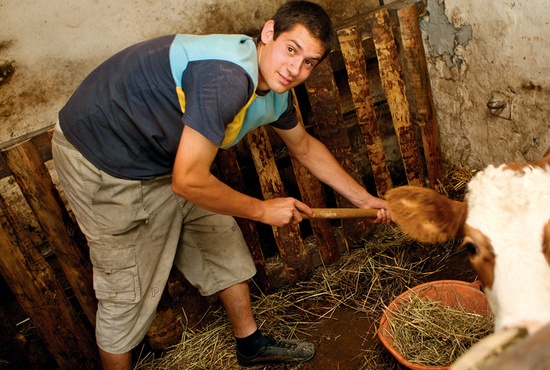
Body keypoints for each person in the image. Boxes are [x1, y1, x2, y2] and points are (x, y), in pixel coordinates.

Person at [52, 1, 390, 369]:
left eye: (309, 61)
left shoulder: (275, 90)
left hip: (168, 158)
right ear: (268, 33)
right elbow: (188, 181)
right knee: (126, 290)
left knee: (219, 236)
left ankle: (250, 344)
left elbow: (304, 146)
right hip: (105, 160)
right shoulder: (226, 78)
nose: (296, 69)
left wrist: (365, 199)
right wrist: (262, 210)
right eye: (291, 49)